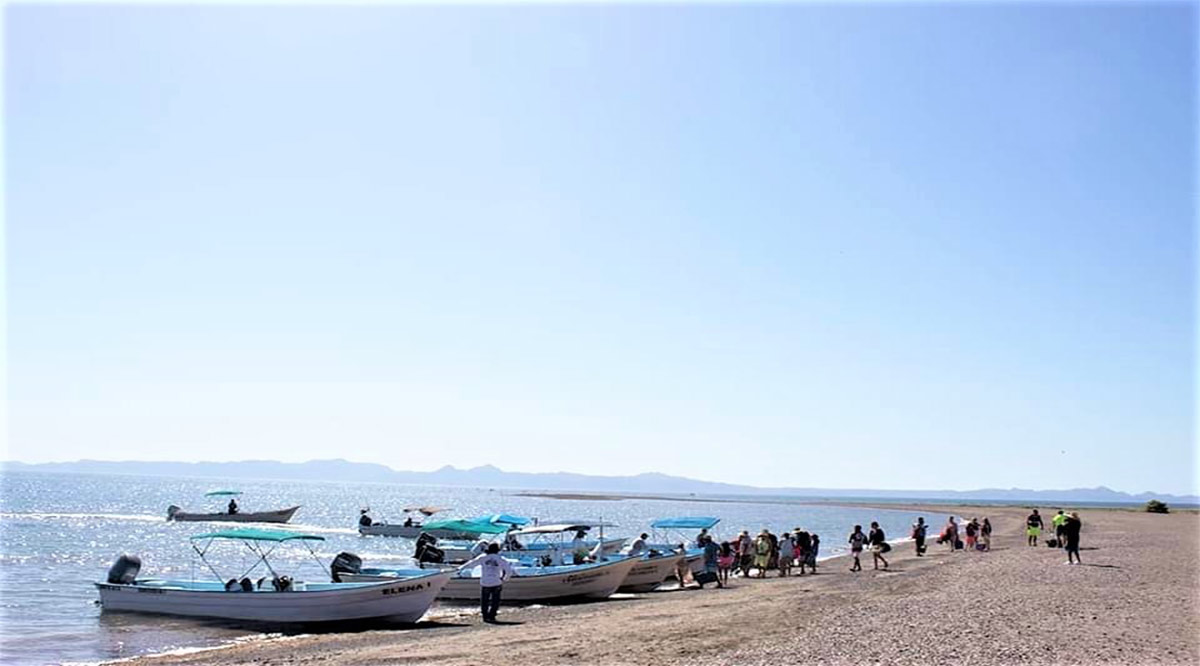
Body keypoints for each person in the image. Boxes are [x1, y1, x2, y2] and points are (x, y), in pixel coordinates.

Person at [458, 543, 516, 623]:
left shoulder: (483, 557)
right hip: (496, 582)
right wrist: (504, 579)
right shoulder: (500, 559)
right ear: (497, 550)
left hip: (485, 582)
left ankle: (485, 617)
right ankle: (492, 616)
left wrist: (459, 568)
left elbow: (471, 564)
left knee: (484, 601)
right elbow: (509, 571)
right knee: (495, 601)